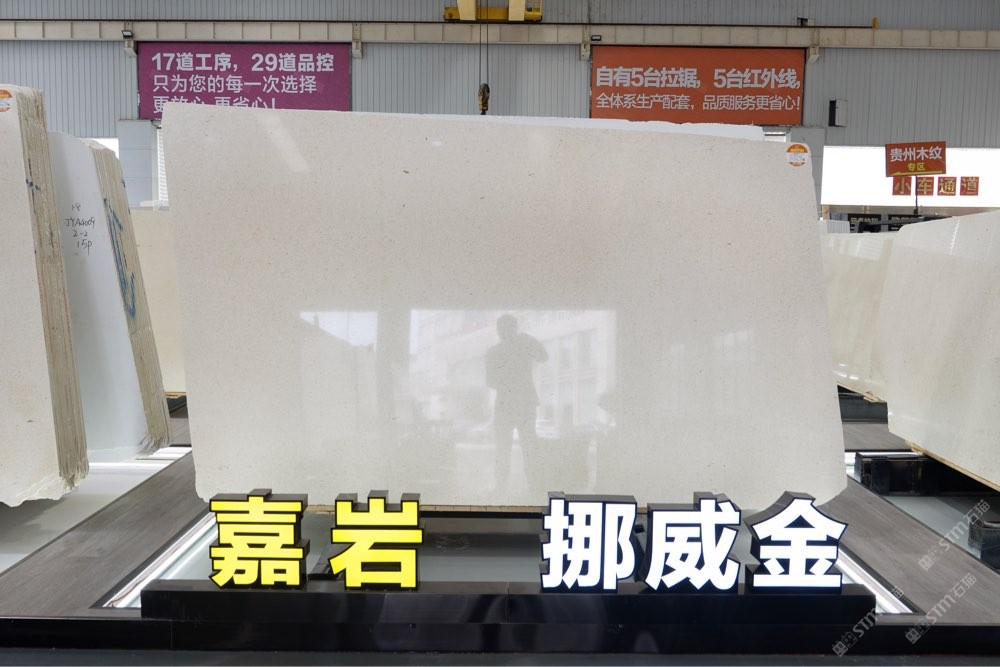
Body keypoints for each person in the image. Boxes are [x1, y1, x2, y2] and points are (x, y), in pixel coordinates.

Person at [485, 314, 548, 488]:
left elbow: (490, 381)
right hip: (524, 401)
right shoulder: (524, 344)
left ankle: (502, 486)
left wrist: (506, 383)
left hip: (505, 403)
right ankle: (532, 484)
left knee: (503, 447)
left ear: (498, 331)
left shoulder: (494, 352)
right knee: (528, 446)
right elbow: (543, 356)